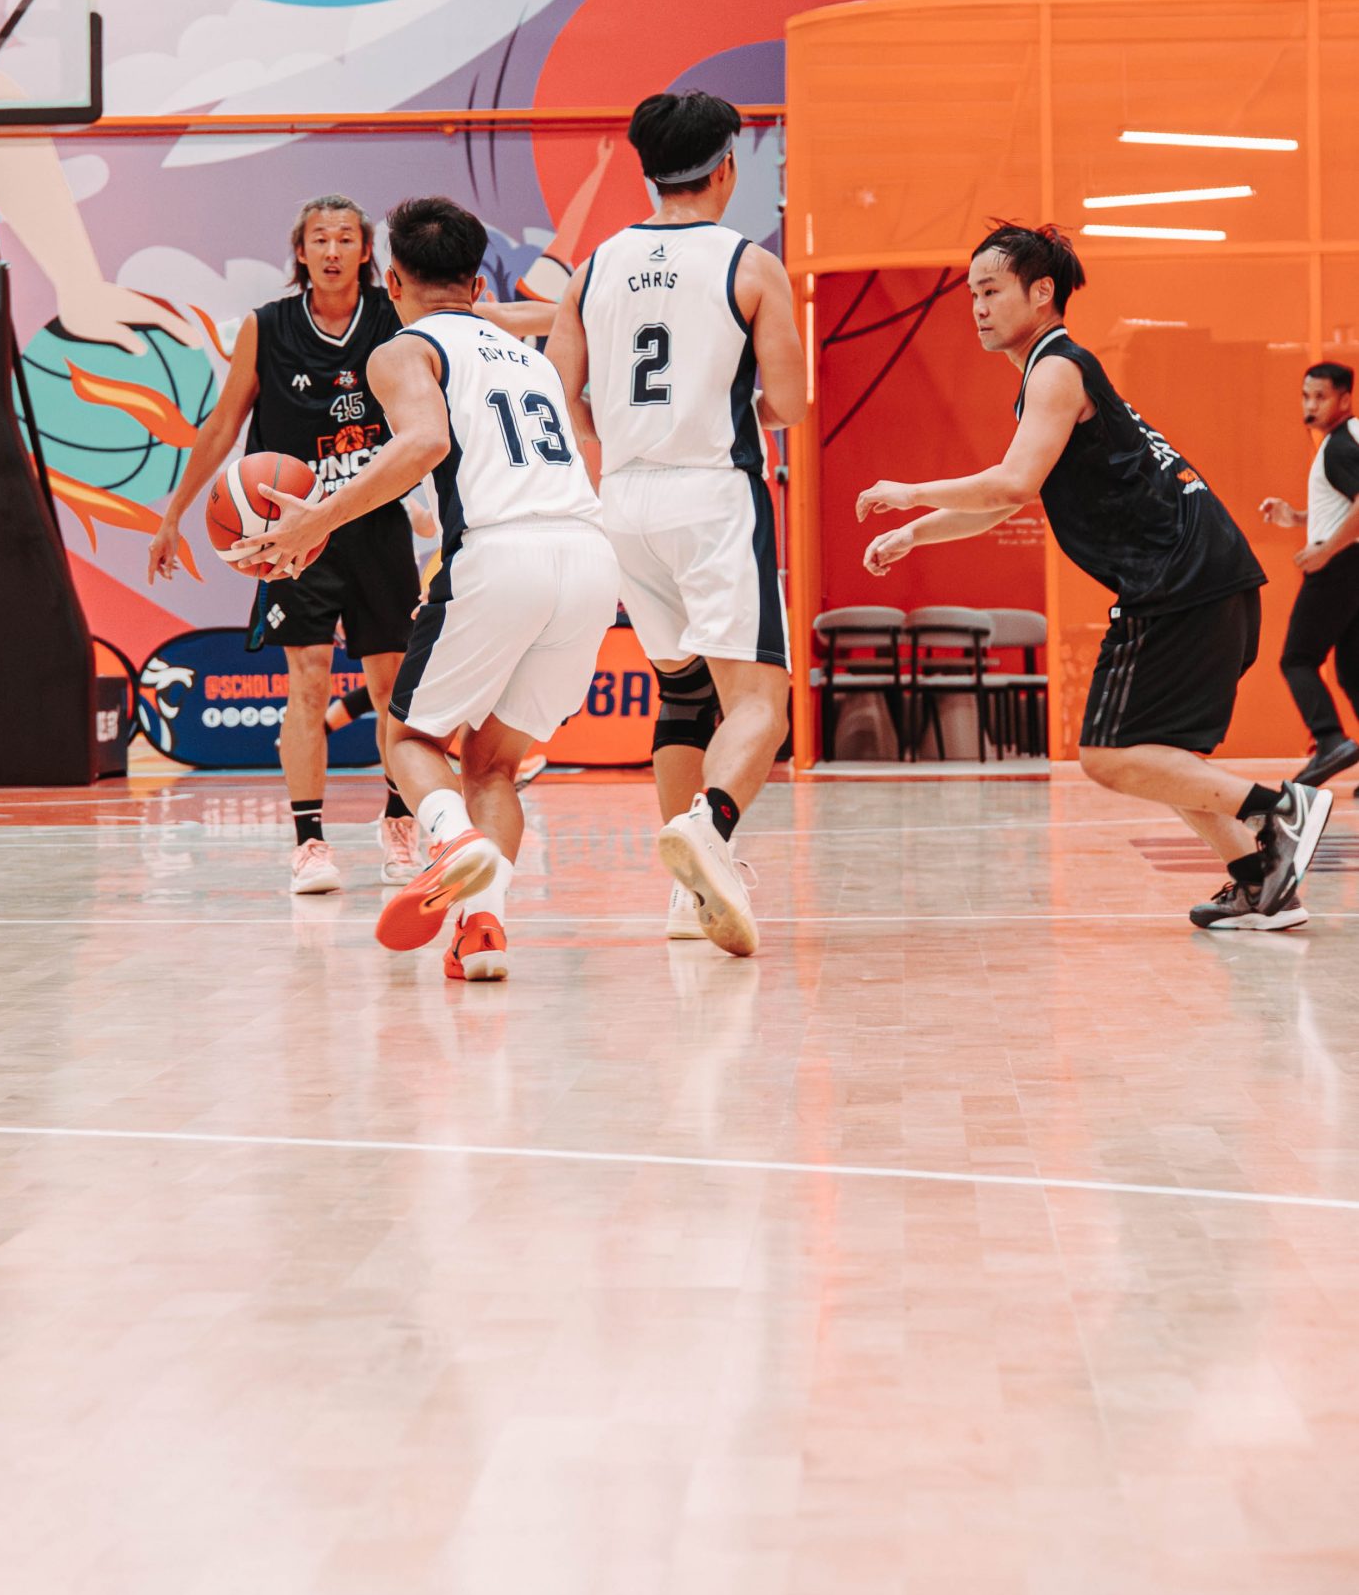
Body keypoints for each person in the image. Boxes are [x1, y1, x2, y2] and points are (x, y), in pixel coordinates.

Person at [857, 222, 1331, 932]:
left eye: (991, 290)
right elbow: (1008, 496)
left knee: (1109, 756)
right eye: (971, 294)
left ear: (1040, 292)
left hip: (1175, 583)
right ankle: (1262, 882)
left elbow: (1010, 483)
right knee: (1160, 756)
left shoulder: (1055, 368)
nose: (978, 307)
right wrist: (914, 533)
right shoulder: (1051, 373)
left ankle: (1281, 809)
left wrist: (909, 493)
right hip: (1209, 577)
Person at [234, 196, 616, 985]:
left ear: (393, 280)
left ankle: (450, 838)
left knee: (410, 739)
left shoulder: (402, 349)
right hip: (587, 559)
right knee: (493, 765)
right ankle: (482, 931)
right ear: (477, 285)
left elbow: (424, 441)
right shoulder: (531, 358)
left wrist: (315, 521)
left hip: (501, 554)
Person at [148, 193, 555, 896]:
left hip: (373, 520)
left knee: (393, 689)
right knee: (306, 682)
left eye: (345, 238)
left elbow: (490, 320)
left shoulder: (395, 316)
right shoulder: (268, 326)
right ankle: (309, 842)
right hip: (294, 530)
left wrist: (576, 313)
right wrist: (174, 513)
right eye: (319, 238)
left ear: (369, 253)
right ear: (299, 251)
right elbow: (221, 425)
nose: (332, 250)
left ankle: (399, 824)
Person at [547, 91, 807, 959]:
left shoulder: (594, 266)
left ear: (647, 170)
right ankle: (710, 828)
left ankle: (686, 892)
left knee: (683, 691)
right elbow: (788, 403)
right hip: (710, 494)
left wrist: (612, 435)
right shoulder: (750, 265)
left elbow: (559, 391)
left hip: (621, 499)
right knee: (759, 704)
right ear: (726, 167)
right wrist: (723, 410)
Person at [1260, 360, 1359, 787]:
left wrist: (1325, 551)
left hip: (1339, 566)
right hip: (1352, 564)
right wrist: (1298, 517)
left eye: (1321, 397)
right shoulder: (1346, 439)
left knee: (1298, 659)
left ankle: (1330, 739)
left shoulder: (1339, 447)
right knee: (1352, 670)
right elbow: (1343, 508)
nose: (1311, 405)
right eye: (1306, 396)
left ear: (1345, 399)